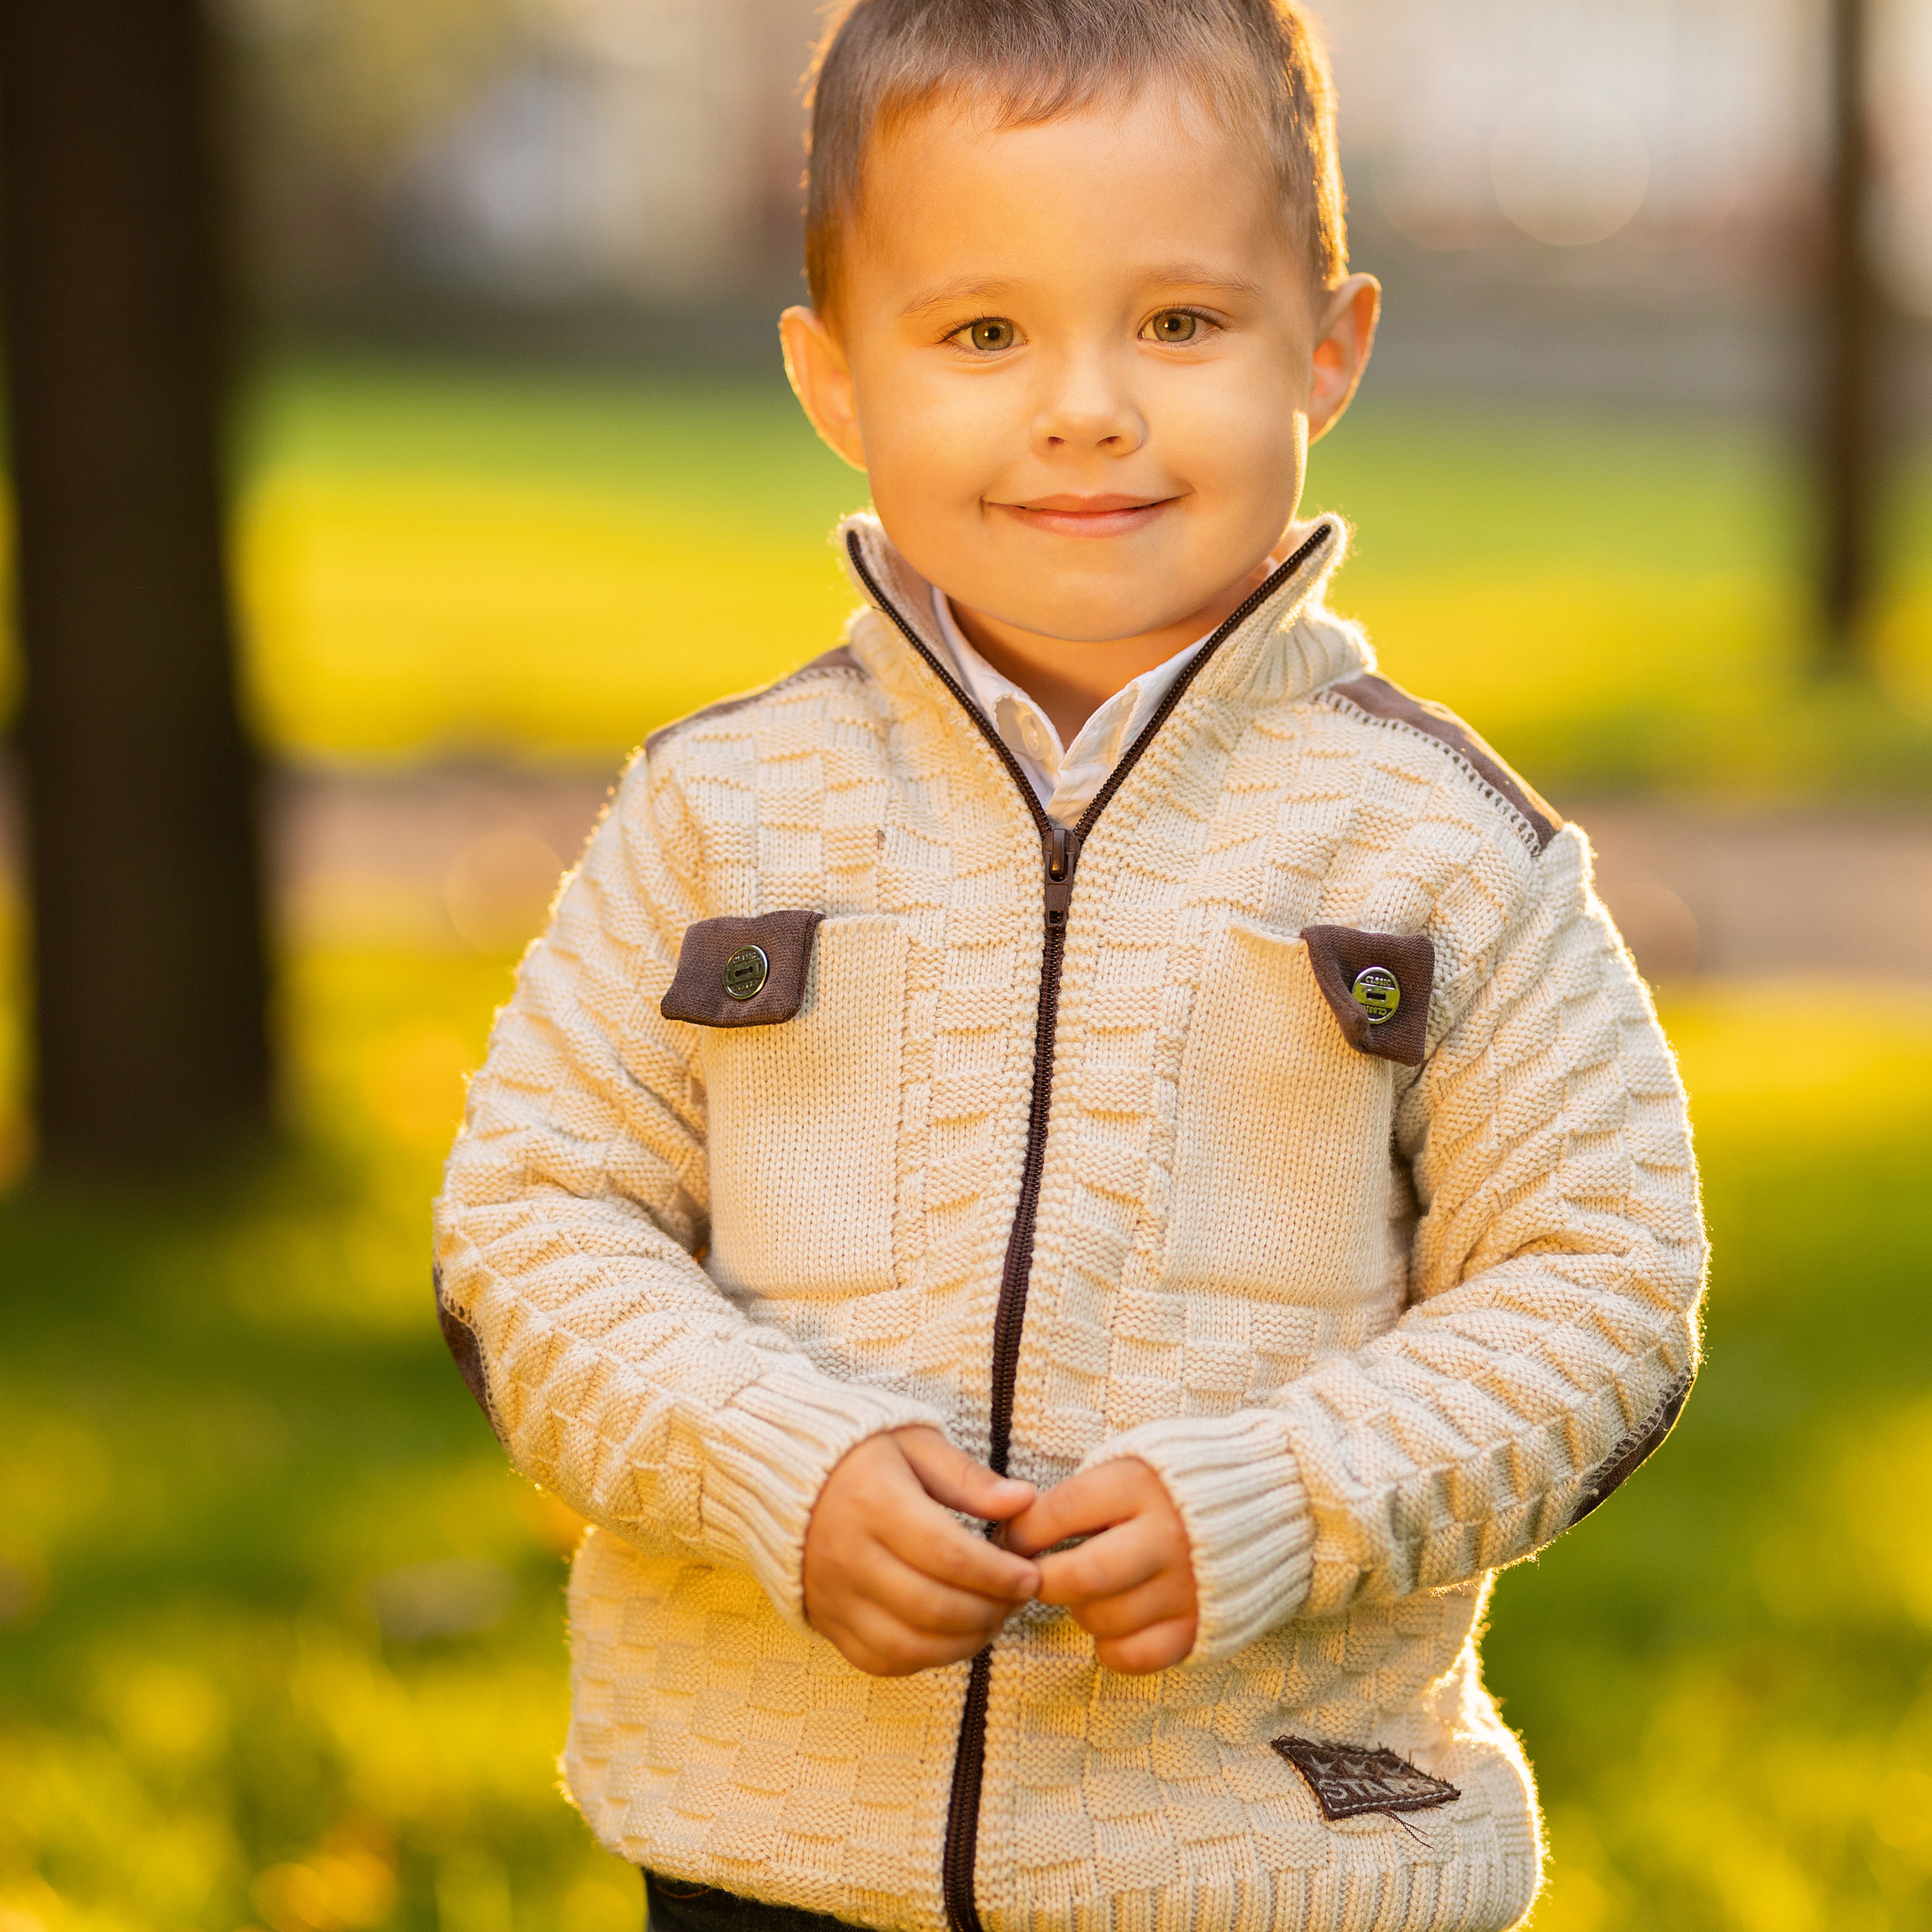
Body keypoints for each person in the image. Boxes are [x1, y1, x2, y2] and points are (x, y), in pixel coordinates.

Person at [432, 3, 1707, 1928]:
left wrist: (1291, 1492)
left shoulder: (1440, 851)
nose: (1084, 405)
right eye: (979, 333)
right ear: (832, 378)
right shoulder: (722, 813)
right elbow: (530, 1222)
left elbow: (1601, 1285)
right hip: (775, 1849)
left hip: (1273, 1849)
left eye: (1179, 324)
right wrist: (774, 1459)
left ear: (1328, 347)